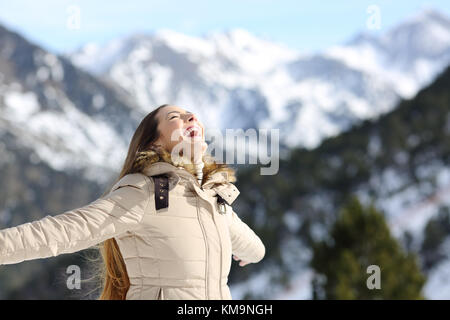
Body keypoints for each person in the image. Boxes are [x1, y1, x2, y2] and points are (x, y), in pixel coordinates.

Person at [0, 104, 266, 300]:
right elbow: (63, 231)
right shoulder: (144, 192)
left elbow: (255, 249)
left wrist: (243, 252)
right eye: (175, 117)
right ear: (154, 143)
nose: (191, 117)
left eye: (191, 114)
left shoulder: (214, 200)